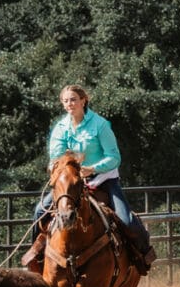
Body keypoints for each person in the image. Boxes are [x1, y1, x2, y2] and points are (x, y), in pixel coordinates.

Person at [22, 84, 156, 274]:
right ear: (62, 103)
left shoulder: (100, 125)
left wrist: (92, 168)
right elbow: (55, 156)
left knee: (126, 219)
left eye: (74, 99)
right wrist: (57, 167)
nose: (70, 104)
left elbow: (114, 157)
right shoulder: (60, 128)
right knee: (39, 212)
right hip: (70, 182)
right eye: (66, 100)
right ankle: (38, 259)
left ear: (83, 100)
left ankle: (143, 256)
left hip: (103, 179)